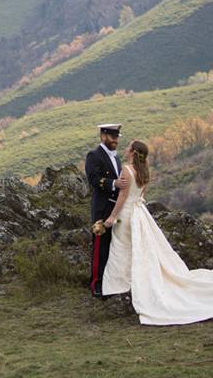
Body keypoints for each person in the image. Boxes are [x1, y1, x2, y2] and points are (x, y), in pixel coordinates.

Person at [101, 139, 213, 325]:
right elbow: (141, 195)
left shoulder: (127, 169)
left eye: (128, 147)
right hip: (140, 212)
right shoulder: (145, 171)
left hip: (128, 213)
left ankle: (120, 285)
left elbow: (123, 196)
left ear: (132, 152)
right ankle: (130, 282)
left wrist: (112, 217)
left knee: (122, 248)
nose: (126, 149)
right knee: (140, 249)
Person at [85, 123, 127, 297]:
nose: (115, 140)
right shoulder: (94, 155)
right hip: (102, 208)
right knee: (100, 247)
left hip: (116, 208)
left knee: (114, 246)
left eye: (117, 137)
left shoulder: (116, 158)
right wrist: (113, 183)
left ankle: (111, 281)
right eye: (112, 137)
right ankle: (96, 284)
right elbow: (93, 179)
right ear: (103, 136)